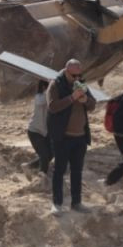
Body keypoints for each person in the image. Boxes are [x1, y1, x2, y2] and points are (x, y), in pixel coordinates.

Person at [46, 58, 97, 214]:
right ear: (66, 71)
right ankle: (57, 203)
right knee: (59, 171)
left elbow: (93, 104)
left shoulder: (81, 84)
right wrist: (72, 98)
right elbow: (53, 107)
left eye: (78, 75)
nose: (76, 79)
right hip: (63, 137)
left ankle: (77, 202)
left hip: (80, 136)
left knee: (77, 171)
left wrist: (85, 100)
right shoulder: (56, 85)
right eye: (73, 76)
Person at [24, 79, 52, 178]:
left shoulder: (50, 99)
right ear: (44, 87)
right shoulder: (40, 97)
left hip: (45, 132)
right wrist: (49, 91)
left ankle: (29, 166)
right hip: (35, 131)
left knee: (51, 153)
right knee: (44, 155)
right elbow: (41, 102)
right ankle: (42, 176)